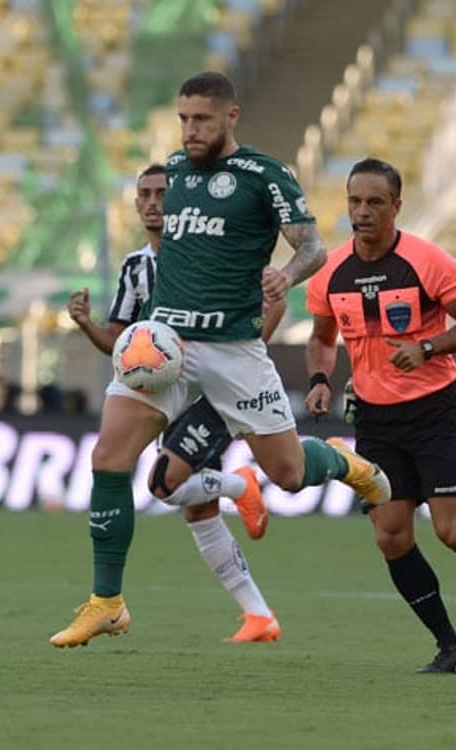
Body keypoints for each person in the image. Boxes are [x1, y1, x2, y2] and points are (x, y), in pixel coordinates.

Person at [49, 71, 391, 649]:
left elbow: (312, 245)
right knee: (109, 459)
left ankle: (341, 462)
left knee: (287, 474)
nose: (190, 130)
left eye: (201, 119)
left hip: (234, 352)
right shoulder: (175, 173)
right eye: (183, 119)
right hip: (164, 348)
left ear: (230, 117)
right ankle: (107, 603)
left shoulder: (263, 175)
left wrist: (287, 272)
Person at [304, 157, 456, 675]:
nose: (362, 212)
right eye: (354, 201)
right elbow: (322, 340)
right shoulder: (329, 271)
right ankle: (451, 649)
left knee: (455, 534)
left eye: (374, 202)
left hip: (435, 411)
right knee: (391, 536)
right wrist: (321, 380)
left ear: (396, 205)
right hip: (374, 419)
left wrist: (428, 346)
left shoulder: (427, 260)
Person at [61, 162, 284, 645]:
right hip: (167, 390)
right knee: (196, 508)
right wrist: (86, 325)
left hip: (218, 389)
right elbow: (121, 343)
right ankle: (259, 615)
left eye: (163, 192)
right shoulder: (136, 267)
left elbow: (275, 305)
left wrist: (242, 363)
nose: (153, 202)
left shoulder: (215, 252)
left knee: (164, 484)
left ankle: (237, 485)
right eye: (144, 193)